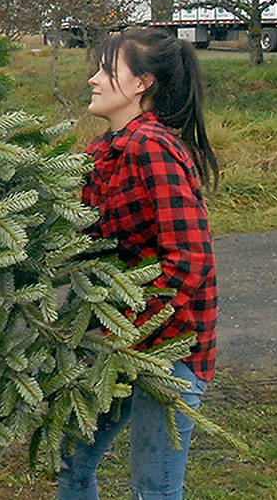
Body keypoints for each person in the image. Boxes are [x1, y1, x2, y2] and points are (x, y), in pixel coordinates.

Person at [58, 27, 219, 500]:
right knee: (72, 465)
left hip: (169, 349)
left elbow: (190, 257)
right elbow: (91, 239)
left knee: (154, 489)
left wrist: (128, 332)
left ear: (141, 83)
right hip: (118, 340)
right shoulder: (103, 150)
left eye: (107, 70)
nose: (92, 79)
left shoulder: (153, 148)